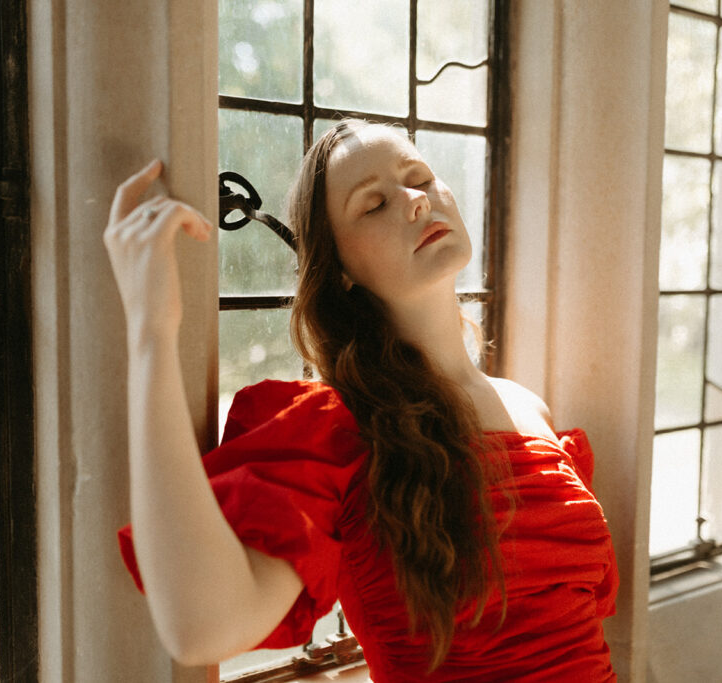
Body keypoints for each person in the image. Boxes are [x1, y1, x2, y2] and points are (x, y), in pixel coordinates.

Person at [107, 120, 618, 681]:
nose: (415, 200)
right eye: (373, 205)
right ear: (341, 271)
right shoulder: (340, 430)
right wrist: (152, 331)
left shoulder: (529, 409)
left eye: (419, 176)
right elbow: (201, 630)